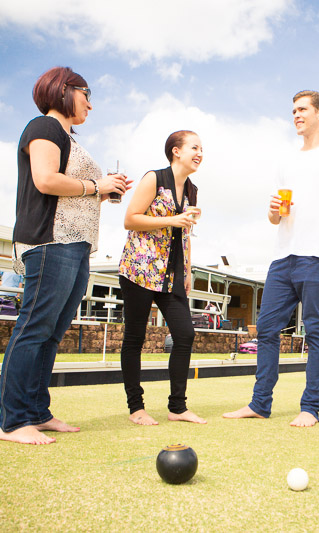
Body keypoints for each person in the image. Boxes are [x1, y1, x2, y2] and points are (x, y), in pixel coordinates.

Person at [0, 66, 131, 445]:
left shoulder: (69, 137)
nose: (90, 102)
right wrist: (95, 185)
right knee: (34, 328)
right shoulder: (45, 126)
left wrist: (102, 192)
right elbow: (45, 179)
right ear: (63, 90)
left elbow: (69, 187)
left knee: (51, 334)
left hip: (75, 244)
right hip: (49, 241)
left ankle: (37, 412)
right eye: (86, 93)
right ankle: (12, 421)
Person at [223, 90, 319, 427]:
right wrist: (273, 212)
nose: (296, 115)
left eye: (302, 109)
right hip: (283, 257)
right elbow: (276, 218)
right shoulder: (286, 161)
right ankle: (260, 404)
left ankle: (310, 407)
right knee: (268, 329)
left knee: (315, 331)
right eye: (293, 110)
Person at [118, 130, 206, 426]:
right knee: (135, 338)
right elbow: (130, 218)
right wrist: (171, 219)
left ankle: (177, 407)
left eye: (201, 149)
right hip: (139, 271)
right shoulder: (154, 179)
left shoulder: (192, 190)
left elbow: (187, 234)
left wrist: (188, 271)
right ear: (176, 151)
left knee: (185, 335)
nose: (200, 153)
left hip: (172, 276)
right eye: (194, 147)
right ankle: (136, 408)